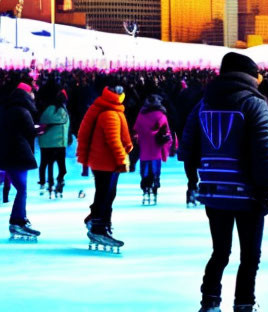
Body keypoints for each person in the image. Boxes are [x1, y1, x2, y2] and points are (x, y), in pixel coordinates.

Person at [180, 52, 268, 312]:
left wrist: (195, 179)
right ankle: (244, 302)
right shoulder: (255, 104)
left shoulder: (204, 104)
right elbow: (266, 150)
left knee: (220, 252)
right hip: (248, 193)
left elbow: (187, 146)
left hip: (214, 191)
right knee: (250, 256)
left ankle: (210, 299)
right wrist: (266, 190)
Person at [76, 84, 133, 249]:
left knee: (106, 193)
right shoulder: (110, 114)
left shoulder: (107, 108)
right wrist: (122, 159)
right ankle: (99, 227)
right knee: (105, 195)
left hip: (103, 161)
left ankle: (99, 222)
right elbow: (113, 140)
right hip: (106, 162)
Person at [0, 77, 42, 239]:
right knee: (22, 190)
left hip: (8, 153)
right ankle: (18, 221)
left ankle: (20, 219)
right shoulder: (22, 111)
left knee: (20, 189)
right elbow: (29, 131)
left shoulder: (7, 108)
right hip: (17, 154)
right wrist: (39, 130)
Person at [133, 94, 175, 205]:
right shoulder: (161, 115)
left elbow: (136, 129)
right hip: (156, 146)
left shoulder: (141, 115)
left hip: (144, 146)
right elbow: (166, 131)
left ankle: (145, 186)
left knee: (145, 168)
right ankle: (155, 183)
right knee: (155, 167)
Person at [38, 89, 70, 198]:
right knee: (62, 167)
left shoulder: (47, 110)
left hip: (45, 143)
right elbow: (65, 126)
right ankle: (59, 181)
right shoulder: (63, 111)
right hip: (59, 143)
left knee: (45, 164)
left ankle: (44, 183)